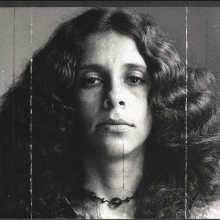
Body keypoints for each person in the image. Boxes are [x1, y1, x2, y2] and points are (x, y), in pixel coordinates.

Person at [0, 7, 220, 218]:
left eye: (134, 79)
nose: (114, 96)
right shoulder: (18, 211)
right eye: (91, 80)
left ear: (162, 95)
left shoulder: (205, 211)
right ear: (64, 98)